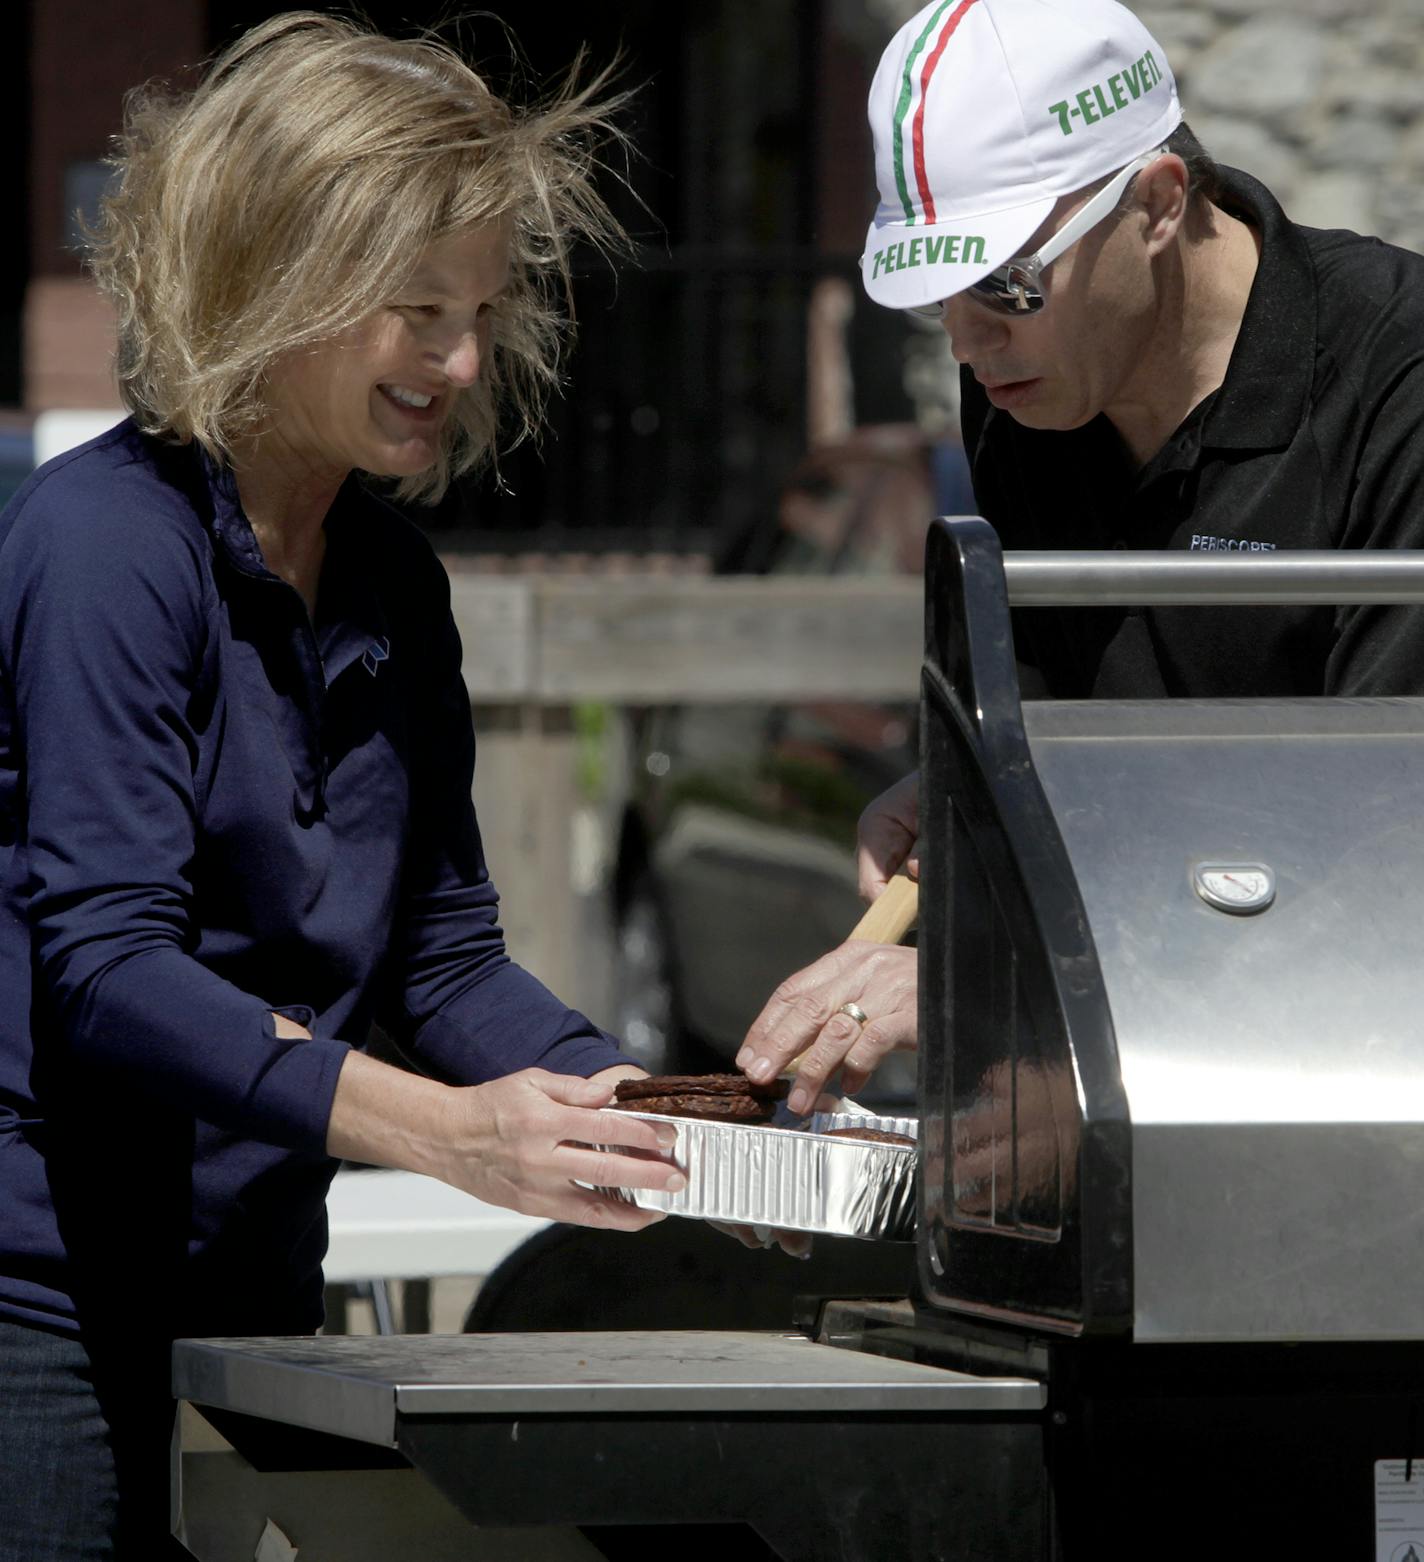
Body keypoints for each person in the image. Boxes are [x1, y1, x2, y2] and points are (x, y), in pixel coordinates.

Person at [0, 15, 694, 1558]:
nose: (458, 362)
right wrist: (450, 1134)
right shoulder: (105, 541)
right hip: (38, 1303)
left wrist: (664, 1118)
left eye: (481, 312)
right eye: (414, 310)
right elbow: (108, 963)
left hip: (257, 1285)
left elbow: (440, 956)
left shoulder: (394, 576)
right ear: (281, 284)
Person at [736, 0, 1424, 1108]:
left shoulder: (1396, 384)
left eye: (1006, 282)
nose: (966, 339)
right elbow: (1093, 749)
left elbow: (1387, 844)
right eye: (935, 294)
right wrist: (975, 790)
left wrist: (978, 986)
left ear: (1156, 202)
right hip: (1177, 1053)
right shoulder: (1024, 388)